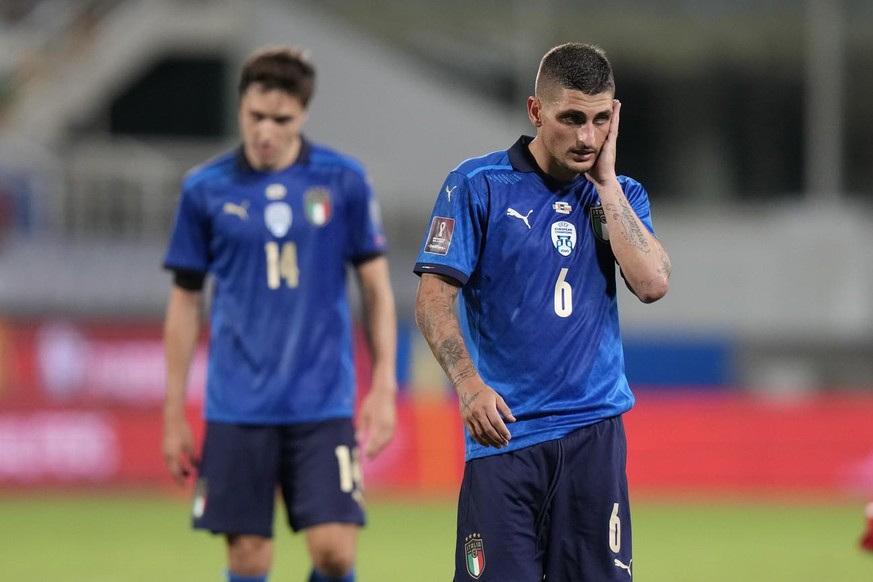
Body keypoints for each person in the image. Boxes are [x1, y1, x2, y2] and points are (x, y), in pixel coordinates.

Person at [413, 42, 671, 581]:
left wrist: (603, 184)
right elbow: (434, 300)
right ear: (536, 112)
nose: (586, 137)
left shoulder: (620, 194)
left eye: (601, 120)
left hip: (593, 437)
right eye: (571, 118)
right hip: (506, 438)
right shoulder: (477, 185)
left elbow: (652, 283)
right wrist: (468, 385)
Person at [161, 46, 398, 582]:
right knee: (247, 557)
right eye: (255, 116)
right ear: (241, 107)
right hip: (238, 402)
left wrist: (384, 384)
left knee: (335, 553)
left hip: (321, 399)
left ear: (303, 115)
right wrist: (174, 409)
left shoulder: (344, 181)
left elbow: (376, 290)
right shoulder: (205, 189)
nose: (265, 130)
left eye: (281, 119)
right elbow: (184, 303)